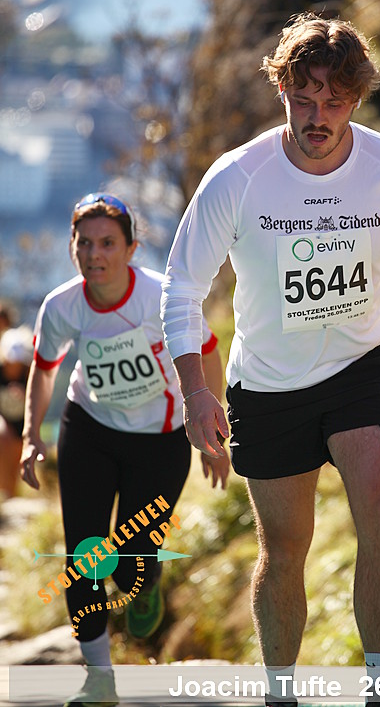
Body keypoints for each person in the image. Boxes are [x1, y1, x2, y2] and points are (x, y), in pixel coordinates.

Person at [160, 13, 380, 705]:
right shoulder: (238, 178)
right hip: (269, 382)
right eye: (303, 99)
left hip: (366, 366)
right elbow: (182, 288)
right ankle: (281, 692)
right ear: (282, 92)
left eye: (333, 101)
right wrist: (196, 393)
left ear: (356, 99)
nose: (317, 117)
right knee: (284, 548)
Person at [20, 192, 228, 707]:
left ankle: (147, 580)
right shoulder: (61, 305)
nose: (95, 254)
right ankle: (99, 680)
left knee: (129, 564)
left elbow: (208, 352)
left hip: (159, 440)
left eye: (108, 243)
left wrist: (212, 431)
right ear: (73, 247)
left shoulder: (161, 298)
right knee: (85, 554)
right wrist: (31, 435)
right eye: (84, 243)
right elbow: (44, 370)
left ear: (132, 249)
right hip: (89, 429)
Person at [0, 305, 33, 498]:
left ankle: (11, 497)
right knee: (3, 438)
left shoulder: (30, 376)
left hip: (22, 426)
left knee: (16, 461)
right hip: (5, 424)